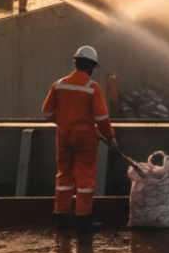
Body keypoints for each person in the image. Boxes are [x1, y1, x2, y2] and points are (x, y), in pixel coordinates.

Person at [42, 46, 116, 233]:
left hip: (63, 135)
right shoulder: (93, 88)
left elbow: (47, 112)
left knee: (64, 175)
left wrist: (64, 121)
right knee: (85, 177)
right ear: (91, 66)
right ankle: (83, 220)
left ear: (76, 62)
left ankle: (60, 217)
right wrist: (110, 138)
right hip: (85, 138)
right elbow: (101, 118)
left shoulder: (58, 85)